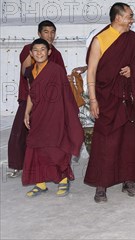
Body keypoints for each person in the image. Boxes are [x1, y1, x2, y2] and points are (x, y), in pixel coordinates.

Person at [85, 3, 135, 203]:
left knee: (129, 142)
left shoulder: (133, 39)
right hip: (107, 99)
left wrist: (133, 70)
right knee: (105, 143)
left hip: (128, 100)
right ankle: (101, 186)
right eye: (129, 16)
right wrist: (93, 100)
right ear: (118, 18)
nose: (132, 20)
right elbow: (91, 72)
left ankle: (128, 180)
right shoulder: (99, 40)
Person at [21, 38, 83, 198]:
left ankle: (63, 180)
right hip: (39, 115)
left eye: (43, 49)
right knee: (36, 147)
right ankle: (40, 183)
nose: (39, 53)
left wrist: (65, 116)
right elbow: (31, 93)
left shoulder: (56, 70)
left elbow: (65, 95)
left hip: (56, 115)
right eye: (36, 50)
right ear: (31, 53)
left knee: (56, 148)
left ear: (49, 52)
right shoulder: (30, 71)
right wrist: (27, 112)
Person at [8, 21, 66, 178]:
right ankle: (16, 165)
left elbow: (60, 76)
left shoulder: (56, 54)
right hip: (29, 96)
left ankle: (44, 165)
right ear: (39, 33)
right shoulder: (29, 49)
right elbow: (25, 71)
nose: (50, 35)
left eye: (53, 32)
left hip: (49, 100)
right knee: (20, 131)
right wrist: (35, 51)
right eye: (46, 32)